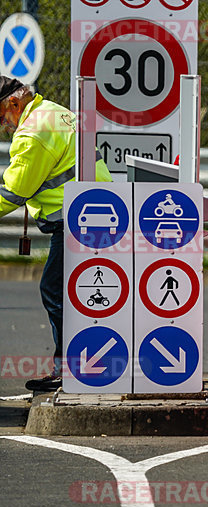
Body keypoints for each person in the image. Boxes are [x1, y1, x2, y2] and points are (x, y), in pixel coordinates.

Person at [0, 76, 112, 391]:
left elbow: (13, 193)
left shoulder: (33, 132)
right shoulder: (52, 110)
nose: (3, 127)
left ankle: (71, 371)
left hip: (77, 219)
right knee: (79, 293)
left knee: (57, 291)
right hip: (99, 211)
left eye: (0, 118)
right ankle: (90, 366)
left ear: (14, 102)